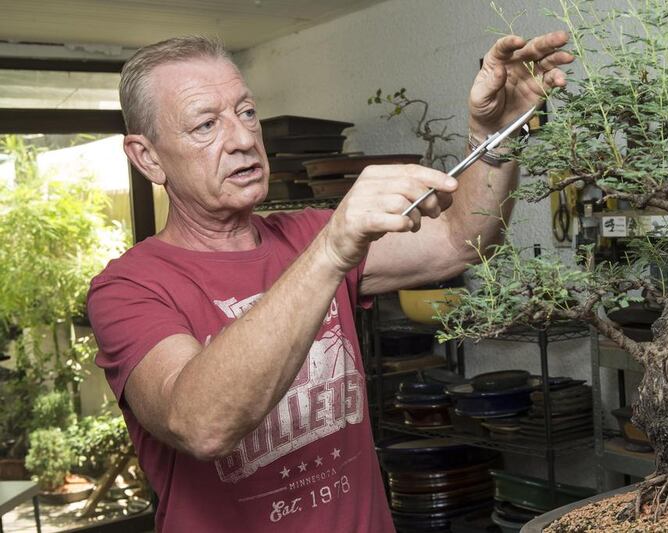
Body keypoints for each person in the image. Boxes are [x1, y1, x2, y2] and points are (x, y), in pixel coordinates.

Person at [88, 32, 572, 532]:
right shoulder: (129, 289)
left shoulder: (308, 232)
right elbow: (202, 425)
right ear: (147, 157)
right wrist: (331, 250)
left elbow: (457, 239)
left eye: (246, 112)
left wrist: (496, 137)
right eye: (206, 124)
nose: (242, 139)